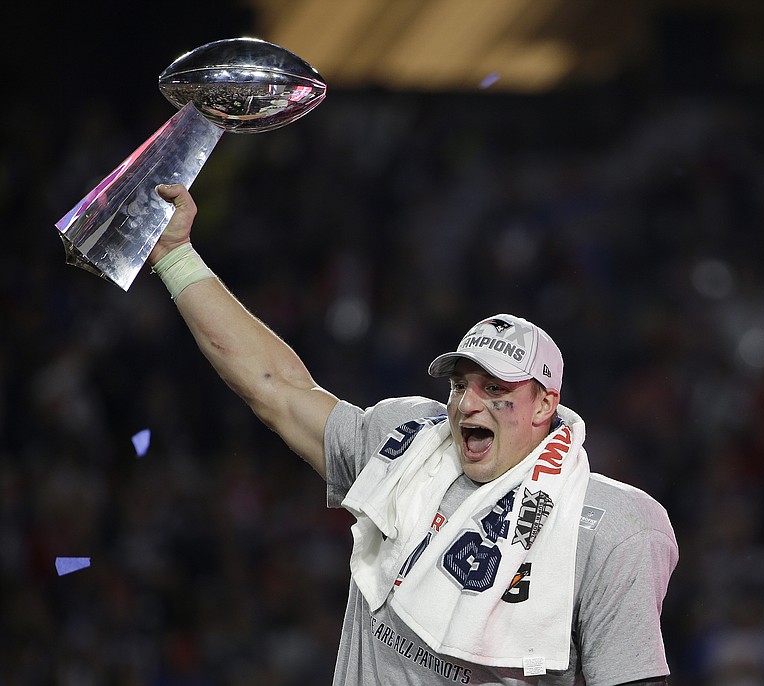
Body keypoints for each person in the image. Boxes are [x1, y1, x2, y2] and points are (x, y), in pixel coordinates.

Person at [147, 183, 679, 686]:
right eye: (460, 384)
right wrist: (175, 255)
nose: (467, 403)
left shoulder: (613, 531)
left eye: (494, 388)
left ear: (545, 403)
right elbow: (277, 390)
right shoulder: (403, 447)